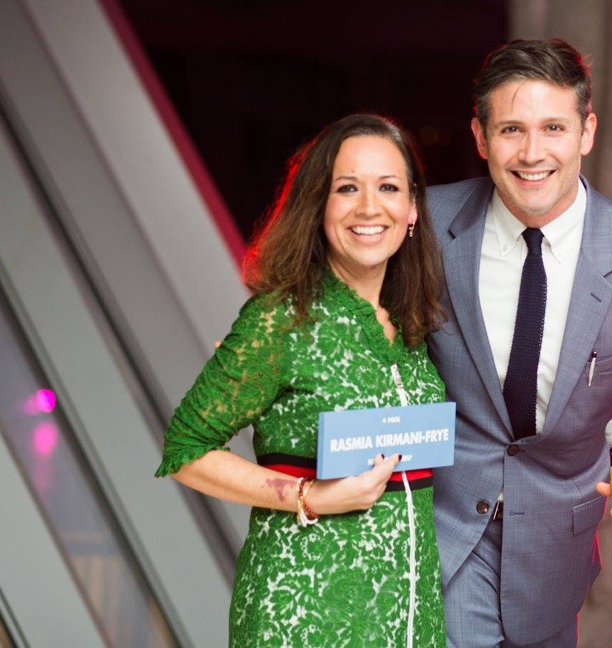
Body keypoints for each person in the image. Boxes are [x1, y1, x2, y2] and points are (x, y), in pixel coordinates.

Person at [426, 39, 612, 646]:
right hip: (439, 536)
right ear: (480, 137)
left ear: (586, 131)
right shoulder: (423, 229)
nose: (532, 154)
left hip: (558, 556)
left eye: (553, 127)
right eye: (511, 129)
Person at [155, 114, 448, 647]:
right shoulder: (282, 318)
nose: (368, 207)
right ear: (318, 207)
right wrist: (307, 495)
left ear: (411, 211)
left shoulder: (412, 327)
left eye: (388, 187)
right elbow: (185, 451)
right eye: (346, 188)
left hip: (407, 619)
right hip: (303, 615)